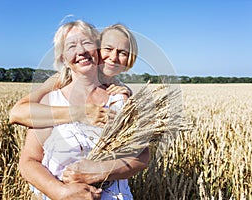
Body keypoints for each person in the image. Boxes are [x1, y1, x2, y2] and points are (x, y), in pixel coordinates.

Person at [19, 20, 149, 199]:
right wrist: (60, 191)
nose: (81, 51)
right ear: (63, 57)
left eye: (87, 43)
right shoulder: (50, 100)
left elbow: (142, 156)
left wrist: (100, 171)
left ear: (96, 49)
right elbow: (29, 161)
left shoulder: (121, 99)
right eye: (71, 45)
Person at [9, 23, 137, 128]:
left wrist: (128, 95)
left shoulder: (120, 91)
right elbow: (17, 113)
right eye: (108, 49)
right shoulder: (64, 77)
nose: (113, 58)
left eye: (122, 53)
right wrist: (80, 113)